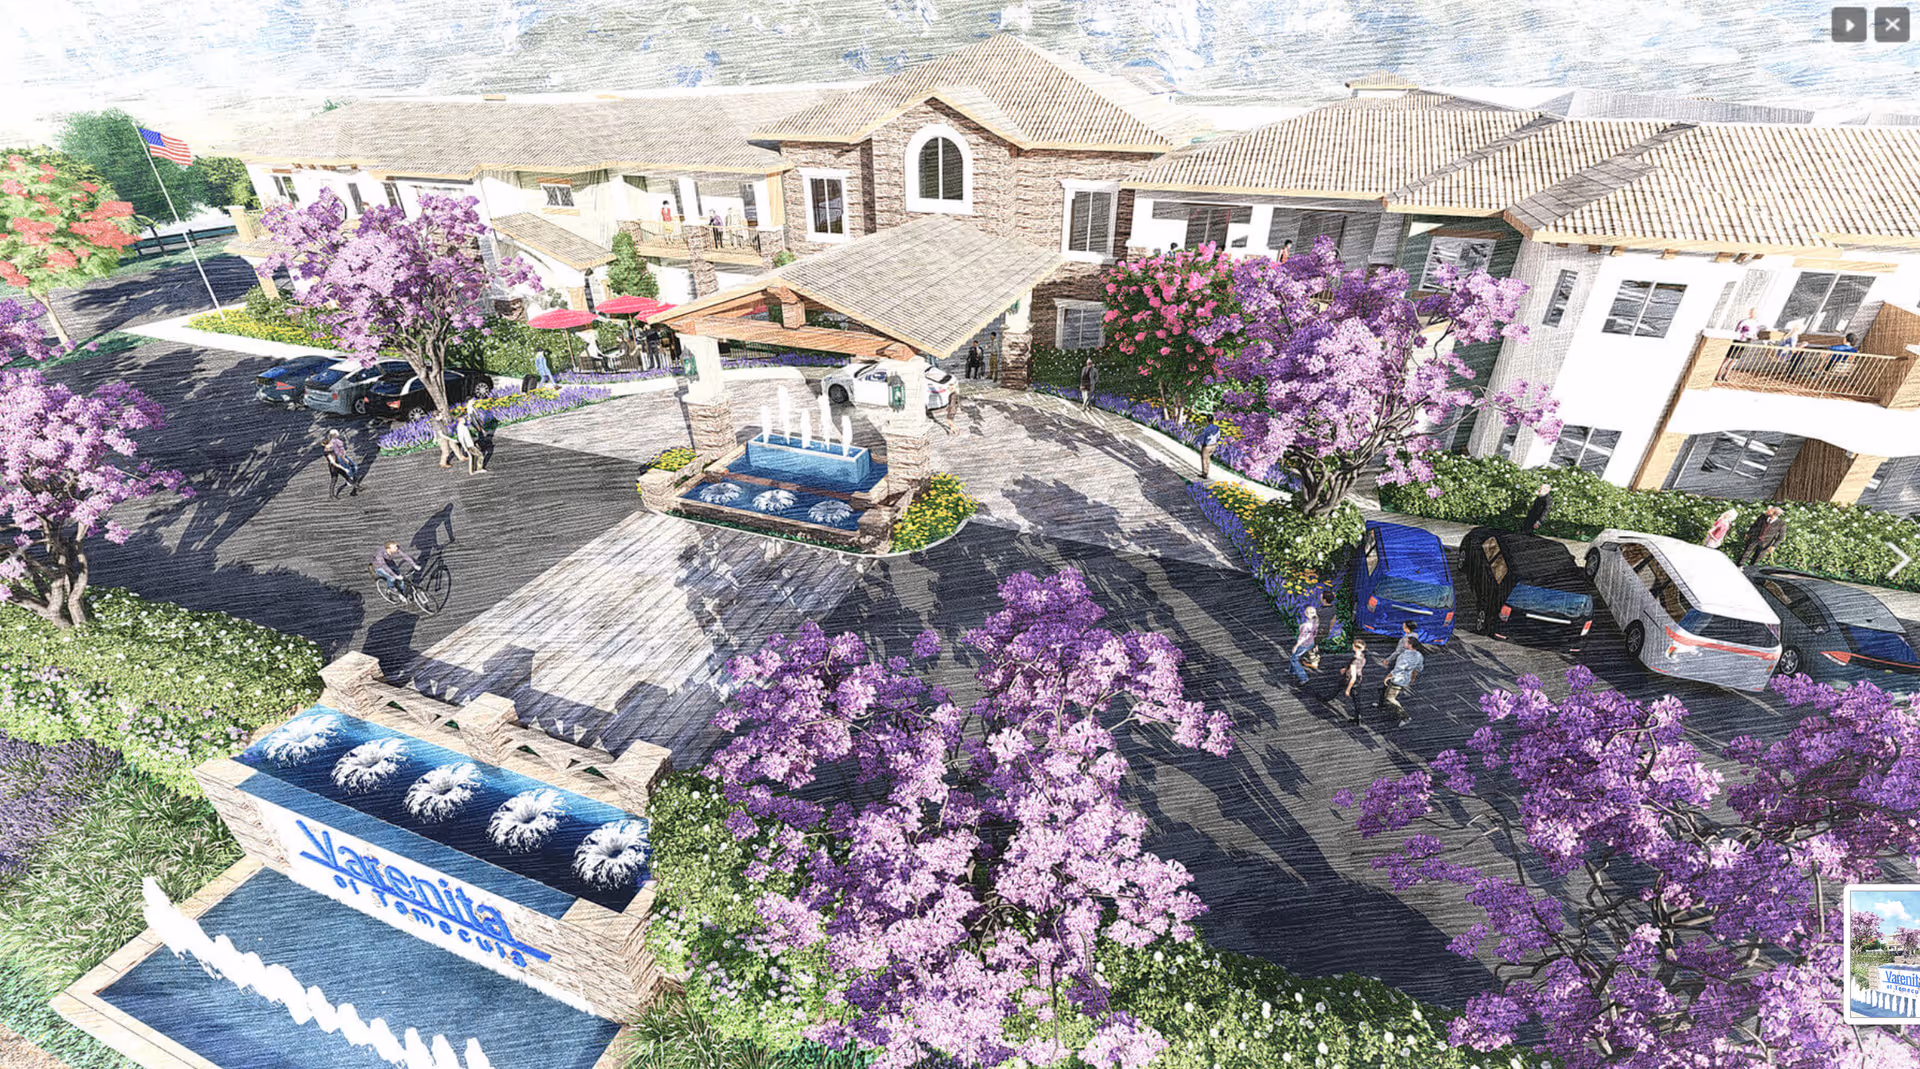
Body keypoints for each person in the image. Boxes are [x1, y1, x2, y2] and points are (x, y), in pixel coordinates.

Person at [1289, 591, 1333, 685]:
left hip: (1305, 643)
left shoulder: (1306, 626)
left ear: (1305, 614)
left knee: (1294, 658)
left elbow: (1303, 638)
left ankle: (1303, 677)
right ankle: (1292, 671)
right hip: (1311, 642)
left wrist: (1296, 646)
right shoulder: (1316, 623)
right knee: (1295, 656)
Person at [1379, 640, 1425, 725]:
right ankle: (1382, 704)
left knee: (1390, 698)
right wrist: (1413, 677)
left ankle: (1405, 716)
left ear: (1410, 645)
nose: (1405, 643)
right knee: (1388, 691)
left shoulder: (1404, 655)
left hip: (1398, 679)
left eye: (1407, 642)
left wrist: (1387, 677)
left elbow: (1398, 670)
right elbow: (1418, 668)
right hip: (1406, 678)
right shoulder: (1419, 655)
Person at [322, 429, 360, 498]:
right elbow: (334, 463)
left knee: (347, 477)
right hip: (334, 468)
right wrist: (344, 469)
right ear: (326, 446)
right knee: (334, 480)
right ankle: (332, 495)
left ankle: (357, 487)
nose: (331, 444)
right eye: (330, 444)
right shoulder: (327, 453)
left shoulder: (330, 449)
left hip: (338, 465)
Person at [1339, 638, 1368, 723]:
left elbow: (1353, 678)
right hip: (1359, 679)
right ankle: (1357, 717)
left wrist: (1348, 689)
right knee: (1357, 699)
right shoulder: (1362, 656)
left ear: (1355, 647)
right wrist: (1346, 668)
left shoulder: (1354, 662)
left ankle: (1357, 718)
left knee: (1355, 698)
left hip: (1352, 680)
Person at [455, 411, 489, 475]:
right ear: (460, 420)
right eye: (463, 419)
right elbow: (461, 439)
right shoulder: (460, 428)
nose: (464, 420)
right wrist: (465, 447)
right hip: (469, 445)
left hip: (470, 444)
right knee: (480, 455)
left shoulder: (463, 427)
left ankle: (473, 470)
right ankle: (479, 469)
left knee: (473, 457)